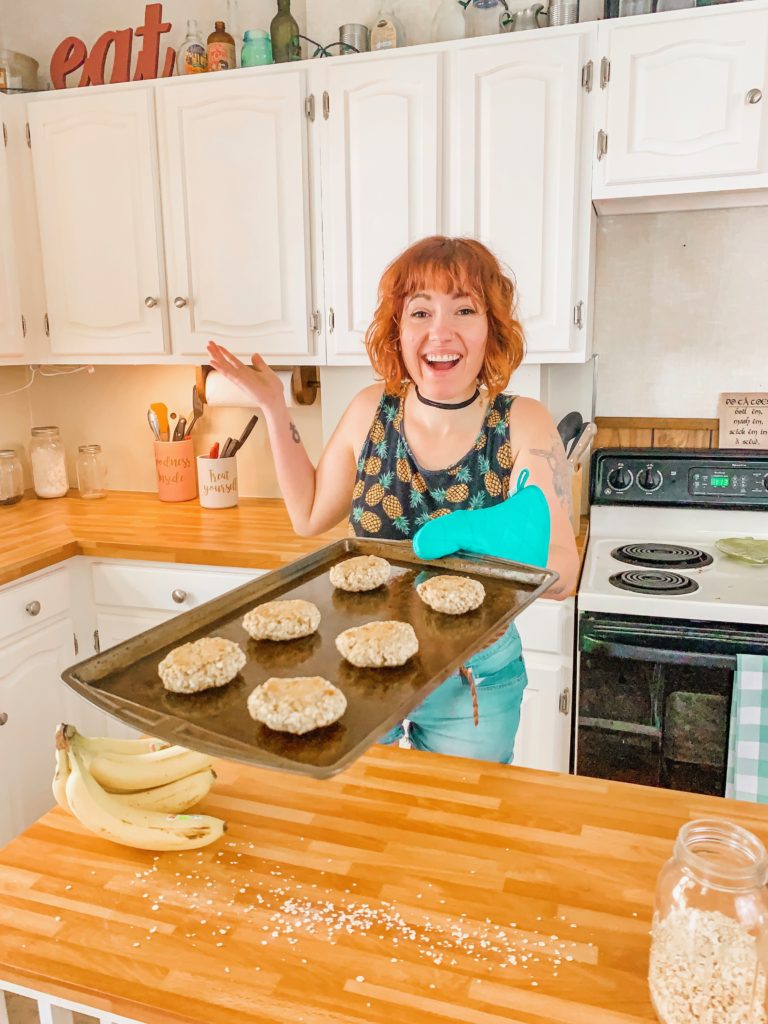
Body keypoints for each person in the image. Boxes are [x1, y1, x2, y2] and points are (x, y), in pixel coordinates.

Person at [207, 235, 579, 763]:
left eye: (464, 310)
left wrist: (473, 537)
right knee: (364, 824)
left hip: (471, 678)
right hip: (360, 662)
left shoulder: (522, 422)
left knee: (455, 827)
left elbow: (563, 572)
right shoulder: (369, 411)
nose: (440, 332)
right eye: (420, 312)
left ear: (491, 327)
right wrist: (274, 408)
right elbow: (308, 515)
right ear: (398, 331)